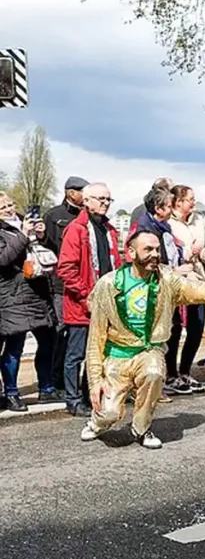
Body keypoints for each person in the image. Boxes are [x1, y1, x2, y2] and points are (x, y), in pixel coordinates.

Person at [79, 231, 205, 449]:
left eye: (157, 249)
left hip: (148, 351)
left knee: (154, 372)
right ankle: (96, 423)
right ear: (130, 253)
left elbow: (204, 291)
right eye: (148, 249)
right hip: (117, 357)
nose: (155, 254)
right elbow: (95, 338)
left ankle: (141, 428)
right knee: (108, 413)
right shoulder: (108, 285)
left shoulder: (167, 279)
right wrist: (95, 382)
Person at [57, 183, 122, 417]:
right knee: (75, 355)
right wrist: (86, 295)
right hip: (81, 305)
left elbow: (117, 265)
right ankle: (73, 400)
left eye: (108, 199)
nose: (105, 203)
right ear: (86, 201)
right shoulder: (77, 229)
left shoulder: (110, 230)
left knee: (98, 355)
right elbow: (66, 269)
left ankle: (89, 396)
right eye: (100, 199)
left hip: (106, 303)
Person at [0, 193, 59, 411]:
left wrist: (41, 236)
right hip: (14, 296)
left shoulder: (25, 222)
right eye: (3, 207)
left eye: (10, 204)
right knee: (15, 347)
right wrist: (23, 235)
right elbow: (4, 259)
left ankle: (46, 388)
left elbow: (50, 252)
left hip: (38, 292)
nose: (9, 209)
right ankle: (12, 393)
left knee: (47, 342)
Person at [42, 176, 89, 396]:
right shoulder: (54, 216)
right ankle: (56, 379)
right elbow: (48, 249)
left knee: (79, 338)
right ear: (71, 192)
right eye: (82, 191)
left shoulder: (87, 219)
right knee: (62, 332)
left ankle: (74, 383)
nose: (85, 196)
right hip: (61, 284)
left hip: (83, 283)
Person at [166, 184, 205, 394]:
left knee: (197, 327)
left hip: (197, 278)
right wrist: (187, 251)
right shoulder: (168, 222)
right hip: (177, 280)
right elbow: (168, 250)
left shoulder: (199, 221)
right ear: (178, 202)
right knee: (173, 330)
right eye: (190, 199)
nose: (193, 203)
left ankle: (185, 371)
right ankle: (170, 374)